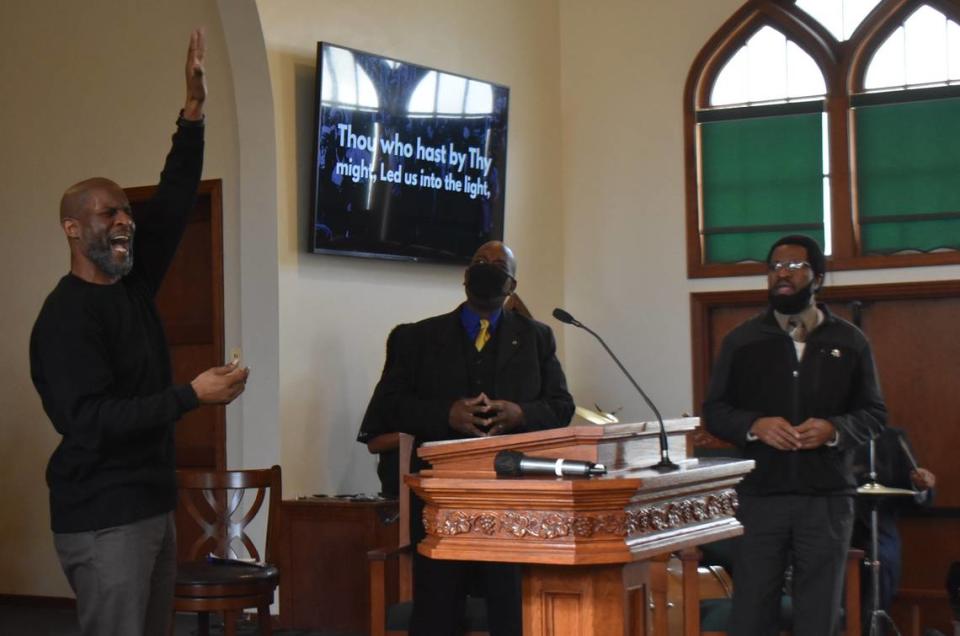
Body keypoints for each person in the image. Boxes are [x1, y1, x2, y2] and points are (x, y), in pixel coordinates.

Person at [29, 29, 249, 636]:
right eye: (109, 212)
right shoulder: (65, 317)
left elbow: (176, 200)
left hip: (151, 508)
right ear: (74, 229)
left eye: (127, 211)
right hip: (102, 518)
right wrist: (190, 395)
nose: (125, 220)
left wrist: (194, 113)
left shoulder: (131, 286)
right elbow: (91, 419)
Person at [364, 240, 575, 636]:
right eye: (480, 262)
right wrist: (446, 413)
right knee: (437, 610)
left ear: (512, 284)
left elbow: (561, 406)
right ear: (465, 277)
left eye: (498, 265)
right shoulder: (415, 338)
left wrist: (521, 413)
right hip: (442, 500)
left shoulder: (537, 337)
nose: (488, 268)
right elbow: (387, 409)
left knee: (511, 611)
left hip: (514, 501)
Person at [703, 234, 887, 636]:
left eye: (793, 267)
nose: (782, 275)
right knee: (751, 612)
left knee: (818, 615)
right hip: (761, 497)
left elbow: (874, 414)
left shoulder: (849, 341)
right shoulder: (743, 340)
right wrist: (755, 425)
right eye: (774, 268)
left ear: (817, 277)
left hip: (826, 498)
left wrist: (835, 429)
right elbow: (715, 411)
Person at [852, 427, 936, 626]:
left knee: (881, 560)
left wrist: (920, 485)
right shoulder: (824, 435)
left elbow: (917, 496)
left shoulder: (893, 439)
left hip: (878, 537)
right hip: (828, 534)